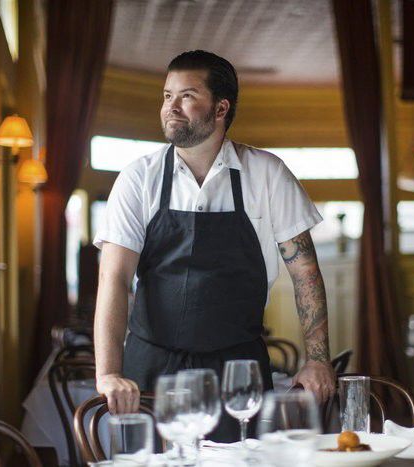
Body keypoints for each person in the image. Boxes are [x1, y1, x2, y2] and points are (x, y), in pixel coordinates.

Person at [93, 50, 335, 442]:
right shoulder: (139, 178)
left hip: (237, 369)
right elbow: (115, 278)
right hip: (152, 370)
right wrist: (108, 373)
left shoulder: (266, 173)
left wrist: (318, 360)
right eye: (166, 95)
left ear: (221, 107)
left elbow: (306, 273)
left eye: (186, 96)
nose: (171, 107)